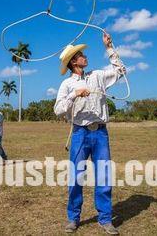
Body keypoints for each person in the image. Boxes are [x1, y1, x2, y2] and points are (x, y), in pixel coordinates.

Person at [54, 32, 126, 235]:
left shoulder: (98, 76)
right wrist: (75, 94)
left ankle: (105, 219)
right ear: (73, 62)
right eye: (81, 55)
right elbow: (58, 109)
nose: (85, 56)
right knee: (76, 177)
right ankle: (73, 218)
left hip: (100, 133)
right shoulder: (67, 85)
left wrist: (109, 48)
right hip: (79, 134)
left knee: (103, 175)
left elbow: (121, 70)